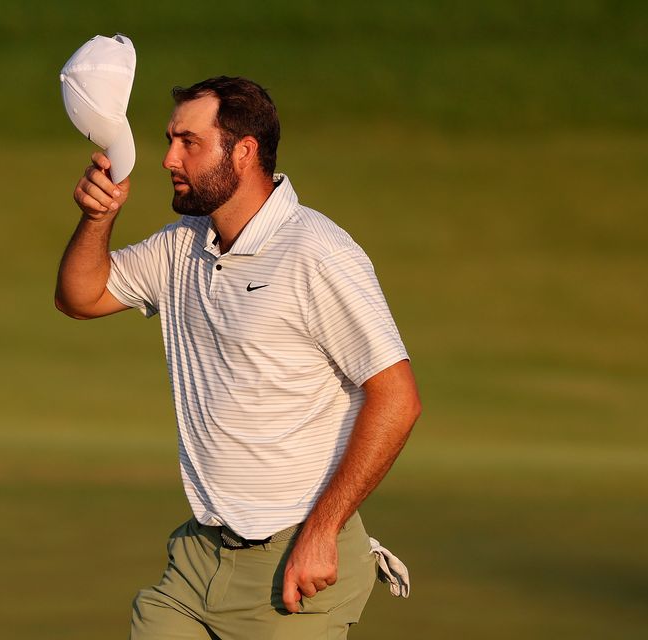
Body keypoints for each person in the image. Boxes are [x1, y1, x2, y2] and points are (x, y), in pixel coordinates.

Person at [55, 76, 421, 640]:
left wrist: (324, 532)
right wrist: (98, 218)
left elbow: (398, 398)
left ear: (243, 151)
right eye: (169, 139)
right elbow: (80, 297)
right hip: (198, 561)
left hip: (299, 568)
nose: (167, 158)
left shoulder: (317, 253)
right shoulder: (183, 245)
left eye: (188, 142)